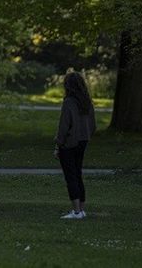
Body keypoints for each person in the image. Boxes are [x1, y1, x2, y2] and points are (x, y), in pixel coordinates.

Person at [53, 71, 97, 220]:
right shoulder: (87, 102)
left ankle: (76, 211)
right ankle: (81, 210)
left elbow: (64, 126)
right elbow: (93, 125)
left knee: (70, 176)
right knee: (78, 174)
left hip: (70, 143)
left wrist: (58, 144)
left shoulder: (69, 103)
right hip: (83, 141)